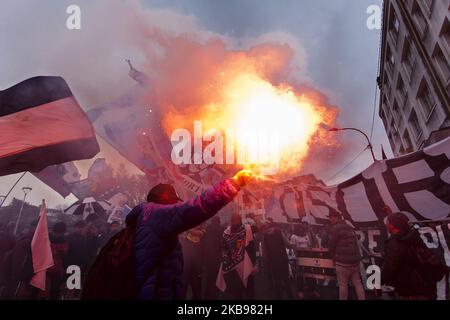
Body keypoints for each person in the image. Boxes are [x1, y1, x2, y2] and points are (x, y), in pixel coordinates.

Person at [126, 169, 252, 300]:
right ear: (166, 203)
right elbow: (198, 207)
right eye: (174, 203)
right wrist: (234, 183)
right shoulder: (157, 214)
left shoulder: (147, 218)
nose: (177, 206)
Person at [381, 212, 437, 300]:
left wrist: (380, 280)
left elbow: (391, 266)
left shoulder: (394, 242)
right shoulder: (416, 235)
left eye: (387, 222)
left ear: (392, 225)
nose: (386, 225)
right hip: (426, 284)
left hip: (408, 287)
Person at [327, 211, 365, 300]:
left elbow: (331, 245)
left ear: (336, 217)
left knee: (343, 285)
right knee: (358, 282)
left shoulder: (335, 228)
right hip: (355, 261)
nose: (330, 219)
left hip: (342, 262)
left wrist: (333, 256)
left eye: (331, 217)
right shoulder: (349, 227)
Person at [262, 221, 293, 299]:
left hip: (273, 261)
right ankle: (289, 295)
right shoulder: (279, 232)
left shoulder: (265, 235)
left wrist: (266, 261)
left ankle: (279, 296)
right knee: (286, 278)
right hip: (282, 259)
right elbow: (287, 244)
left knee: (277, 279)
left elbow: (264, 250)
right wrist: (293, 246)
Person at [181, 224, 206, 299]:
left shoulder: (202, 233)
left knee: (196, 289)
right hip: (188, 265)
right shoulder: (185, 237)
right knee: (185, 288)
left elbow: (200, 233)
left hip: (195, 266)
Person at [202, 216, 224, 300]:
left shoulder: (207, 229)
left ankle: (207, 296)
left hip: (208, 258)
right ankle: (216, 296)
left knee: (208, 279)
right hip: (217, 258)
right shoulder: (221, 229)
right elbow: (223, 244)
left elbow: (203, 244)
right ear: (218, 221)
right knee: (217, 278)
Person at [47, 222, 69, 300]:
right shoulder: (64, 240)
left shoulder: (46, 237)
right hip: (56, 268)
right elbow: (64, 255)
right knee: (55, 290)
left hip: (44, 267)